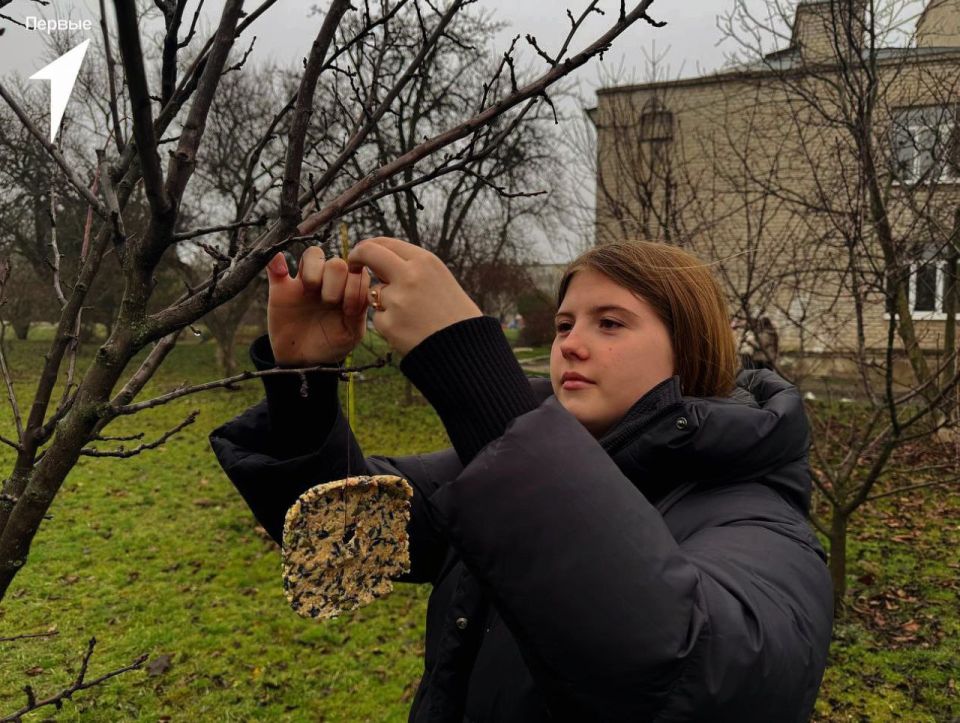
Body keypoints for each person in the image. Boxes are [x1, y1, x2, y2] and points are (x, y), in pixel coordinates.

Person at [210, 239, 833, 722]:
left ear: (691, 348)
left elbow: (689, 680)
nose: (572, 346)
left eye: (610, 323)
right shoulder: (496, 472)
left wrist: (470, 369)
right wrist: (303, 382)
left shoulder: (759, 521)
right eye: (564, 325)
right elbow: (338, 534)